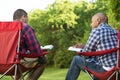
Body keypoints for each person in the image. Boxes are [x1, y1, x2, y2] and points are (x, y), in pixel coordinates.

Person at [65, 12, 118, 80]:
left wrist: (80, 50)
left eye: (92, 22)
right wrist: (84, 47)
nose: (91, 24)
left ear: (98, 20)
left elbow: (86, 53)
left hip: (106, 71)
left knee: (76, 59)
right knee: (97, 64)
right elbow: (104, 49)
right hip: (116, 70)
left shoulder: (97, 31)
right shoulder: (115, 31)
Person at [13, 9, 47, 80]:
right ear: (23, 17)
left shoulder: (4, 28)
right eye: (27, 18)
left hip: (3, 64)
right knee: (43, 59)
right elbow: (36, 51)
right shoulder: (25, 27)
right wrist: (42, 52)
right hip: (18, 62)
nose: (27, 21)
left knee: (25, 59)